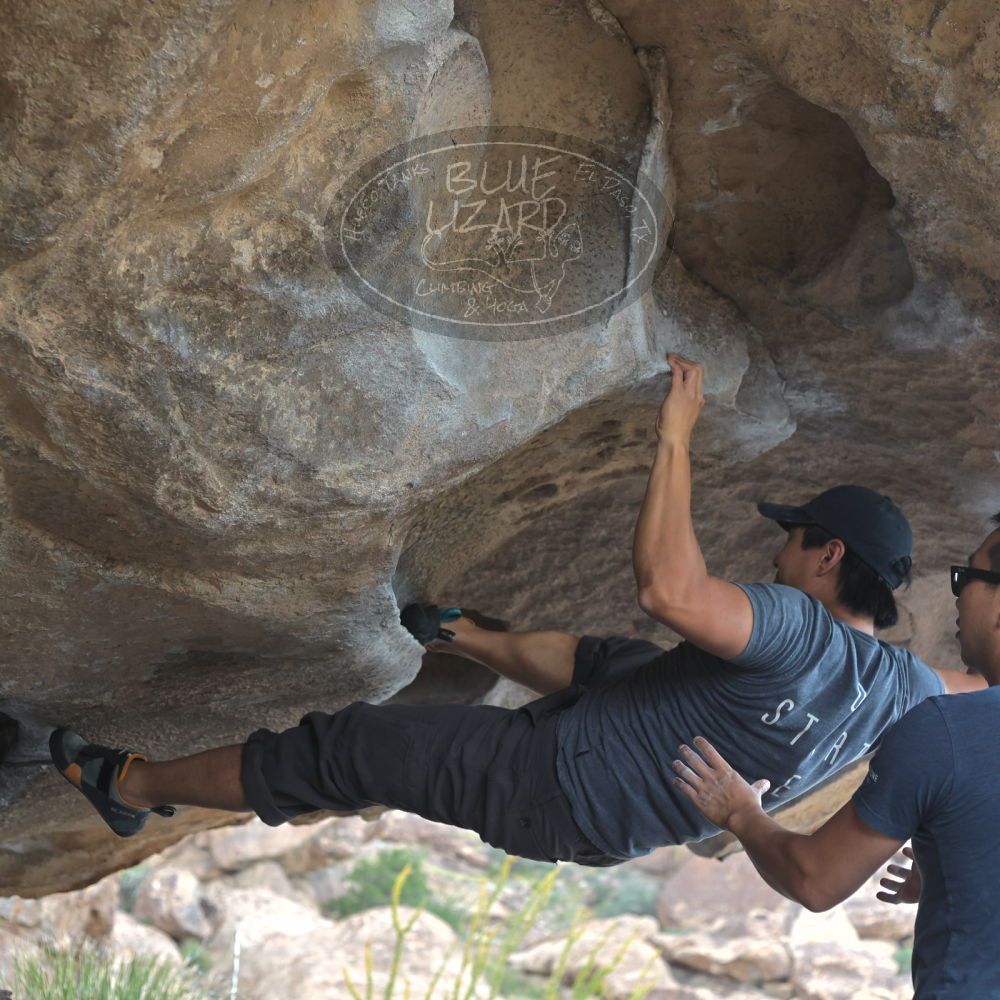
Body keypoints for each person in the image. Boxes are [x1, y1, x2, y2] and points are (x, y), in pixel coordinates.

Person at [49, 354, 981, 866]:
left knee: (346, 748)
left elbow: (667, 588)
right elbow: (984, 687)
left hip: (553, 782)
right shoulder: (905, 687)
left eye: (793, 538)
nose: (777, 552)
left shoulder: (795, 627)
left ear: (828, 557)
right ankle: (459, 634)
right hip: (610, 811)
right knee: (624, 666)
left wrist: (673, 440)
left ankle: (127, 786)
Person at [671, 511, 1000, 999]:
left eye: (966, 577)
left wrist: (740, 813)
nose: (957, 594)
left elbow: (815, 879)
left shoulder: (944, 730)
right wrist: (958, 871)